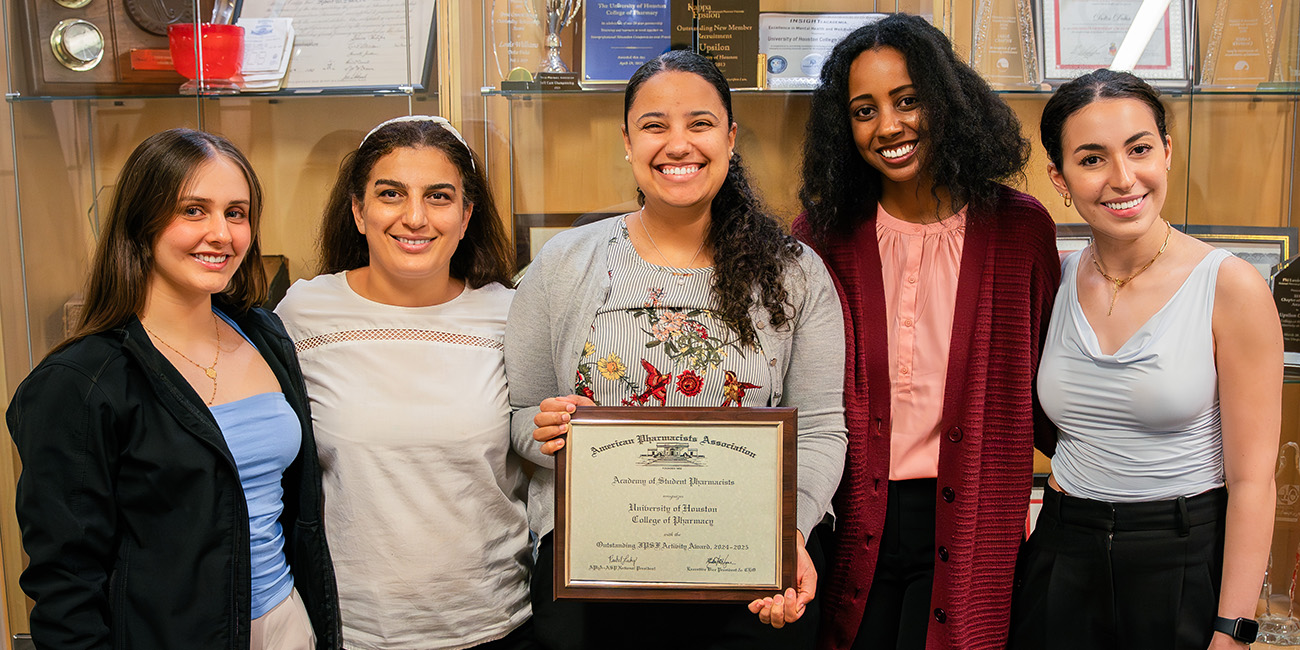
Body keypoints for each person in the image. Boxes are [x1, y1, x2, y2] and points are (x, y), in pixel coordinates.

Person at [505, 50, 847, 649]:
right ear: (628, 140)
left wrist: (786, 532)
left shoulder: (795, 273)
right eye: (655, 125)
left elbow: (820, 429)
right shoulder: (562, 265)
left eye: (700, 123)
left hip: (747, 570)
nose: (677, 144)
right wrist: (547, 430)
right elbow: (519, 416)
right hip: (595, 571)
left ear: (731, 136)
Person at [6, 128, 340, 649]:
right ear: (141, 223)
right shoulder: (81, 383)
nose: (222, 234)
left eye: (236, 212)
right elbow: (65, 585)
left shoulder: (263, 333)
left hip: (288, 623)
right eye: (192, 210)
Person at [792, 13, 1061, 650]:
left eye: (908, 100)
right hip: (851, 513)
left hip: (972, 519)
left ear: (946, 100)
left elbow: (1051, 382)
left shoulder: (1020, 229)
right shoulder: (820, 237)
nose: (889, 126)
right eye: (864, 109)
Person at [1009, 69, 1282, 650]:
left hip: (1181, 559)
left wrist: (1234, 629)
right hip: (1061, 549)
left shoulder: (1229, 286)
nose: (1122, 178)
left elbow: (1254, 481)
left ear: (1167, 152)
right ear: (1059, 178)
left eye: (1139, 149)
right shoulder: (1053, 277)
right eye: (1092, 159)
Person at [275, 116, 533, 650]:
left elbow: (545, 459)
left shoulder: (511, 316)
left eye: (439, 197)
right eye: (390, 194)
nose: (414, 218)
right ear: (358, 210)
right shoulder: (303, 314)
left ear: (466, 216)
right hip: (352, 630)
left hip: (495, 625)